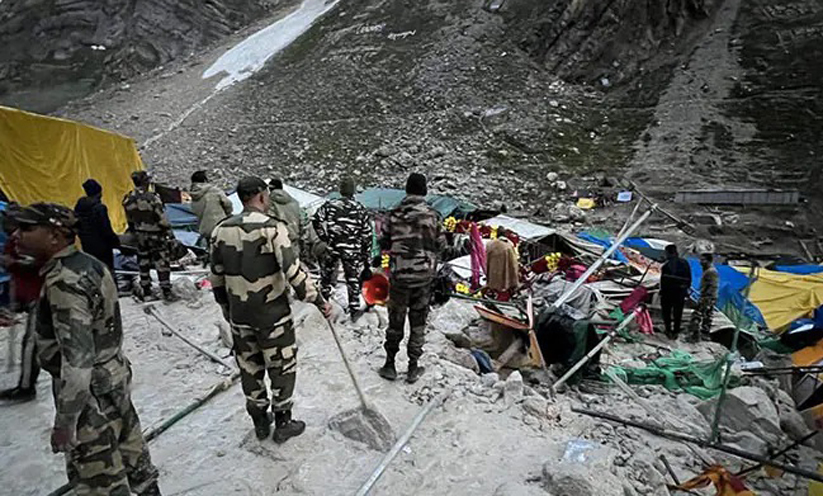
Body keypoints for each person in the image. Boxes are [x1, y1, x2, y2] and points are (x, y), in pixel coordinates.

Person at [14, 202, 161, 495]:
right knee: (134, 456)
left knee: (100, 479)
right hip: (114, 375)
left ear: (55, 235)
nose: (18, 235)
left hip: (89, 396)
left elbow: (77, 361)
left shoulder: (64, 282)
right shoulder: (92, 265)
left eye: (28, 229)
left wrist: (65, 422)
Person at [210, 177, 331, 443]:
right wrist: (319, 300)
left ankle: (260, 423)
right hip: (273, 316)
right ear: (262, 197)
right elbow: (293, 272)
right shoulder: (273, 229)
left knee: (249, 367)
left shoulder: (221, 230)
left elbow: (216, 277)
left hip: (240, 316)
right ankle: (284, 421)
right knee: (282, 365)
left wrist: (226, 310)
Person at [377, 173, 445, 383]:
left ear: (406, 189)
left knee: (395, 321)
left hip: (399, 277)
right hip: (424, 278)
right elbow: (441, 245)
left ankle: (389, 364)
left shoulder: (394, 213)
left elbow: (384, 242)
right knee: (418, 323)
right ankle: (413, 367)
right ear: (424, 191)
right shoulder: (433, 215)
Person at [0, 205, 44, 403]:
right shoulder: (13, 241)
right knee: (32, 341)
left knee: (32, 342)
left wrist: (14, 263)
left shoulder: (35, 239)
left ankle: (27, 387)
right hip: (30, 294)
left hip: (43, 294)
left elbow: (42, 262)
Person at [312, 177, 372, 319]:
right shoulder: (360, 208)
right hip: (352, 249)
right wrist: (365, 255)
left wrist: (324, 237)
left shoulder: (330, 205)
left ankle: (323, 302)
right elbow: (367, 234)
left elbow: (316, 220)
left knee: (326, 276)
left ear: (340, 190)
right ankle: (354, 308)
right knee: (352, 280)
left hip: (333, 246)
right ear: (353, 191)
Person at [122, 171, 175, 302]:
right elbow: (162, 219)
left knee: (143, 262)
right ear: (145, 181)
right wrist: (169, 233)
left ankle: (146, 291)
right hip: (156, 235)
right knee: (161, 262)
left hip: (139, 235)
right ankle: (166, 291)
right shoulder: (152, 198)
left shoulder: (128, 198)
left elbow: (129, 219)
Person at [74, 178, 121, 270]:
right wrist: (115, 242)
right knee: (106, 271)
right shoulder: (99, 208)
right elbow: (106, 229)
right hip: (102, 247)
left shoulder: (79, 207)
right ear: (99, 192)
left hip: (86, 245)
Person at [189, 170, 233, 246]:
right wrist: (228, 214)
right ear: (205, 180)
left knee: (211, 249)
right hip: (219, 226)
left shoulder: (193, 195)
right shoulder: (214, 191)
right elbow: (227, 204)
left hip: (204, 229)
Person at [660, 244, 692, 339]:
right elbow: (689, 279)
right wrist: (685, 289)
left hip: (668, 293)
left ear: (669, 253)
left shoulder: (666, 266)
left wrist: (662, 291)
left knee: (667, 312)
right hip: (680, 292)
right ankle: (676, 331)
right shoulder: (685, 263)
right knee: (678, 312)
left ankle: (668, 330)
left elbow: (663, 281)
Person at [687, 252, 718, 342]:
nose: (700, 262)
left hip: (707, 297)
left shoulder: (711, 272)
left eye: (703, 260)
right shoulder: (707, 270)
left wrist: (706, 298)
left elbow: (713, 286)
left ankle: (695, 336)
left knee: (698, 315)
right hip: (707, 297)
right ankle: (702, 335)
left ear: (708, 261)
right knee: (706, 316)